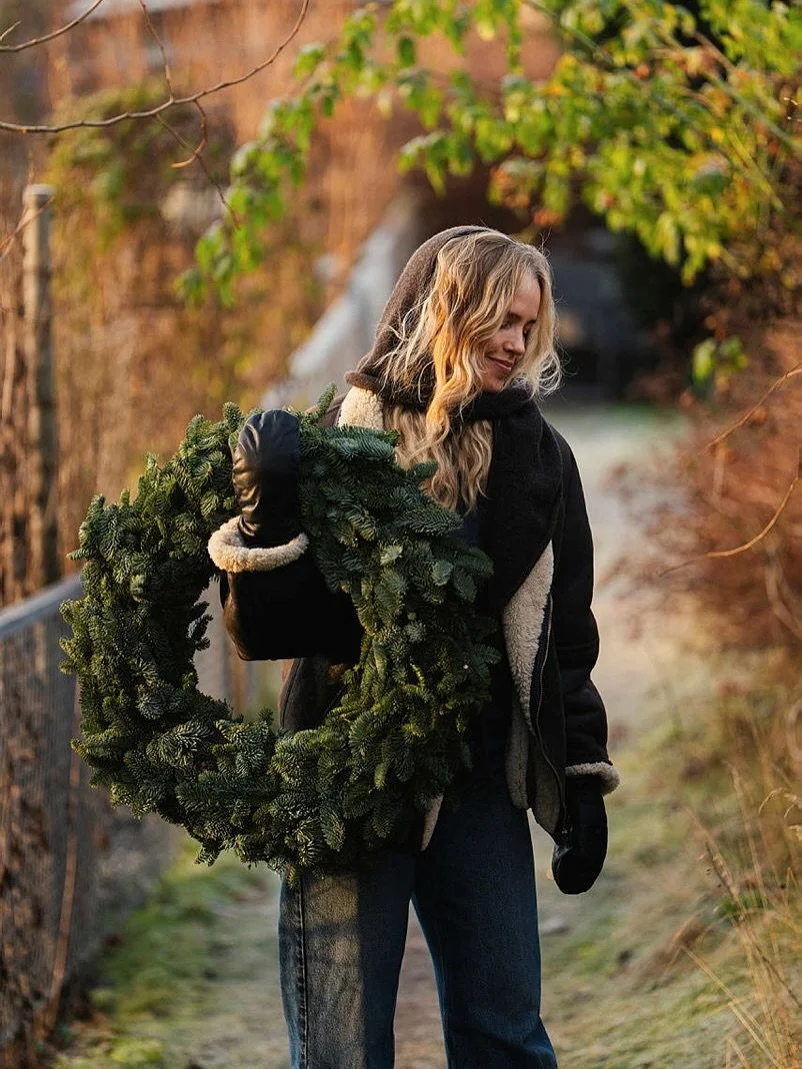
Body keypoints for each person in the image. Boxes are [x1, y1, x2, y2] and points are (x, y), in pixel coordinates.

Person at [207, 225, 620, 1069]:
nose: (517, 343)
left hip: (480, 785)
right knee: (341, 1049)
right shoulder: (342, 443)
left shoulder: (541, 460)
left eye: (528, 326)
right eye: (503, 320)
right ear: (447, 309)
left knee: (507, 1039)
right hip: (347, 777)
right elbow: (264, 635)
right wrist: (265, 524)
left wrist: (581, 773)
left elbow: (566, 638)